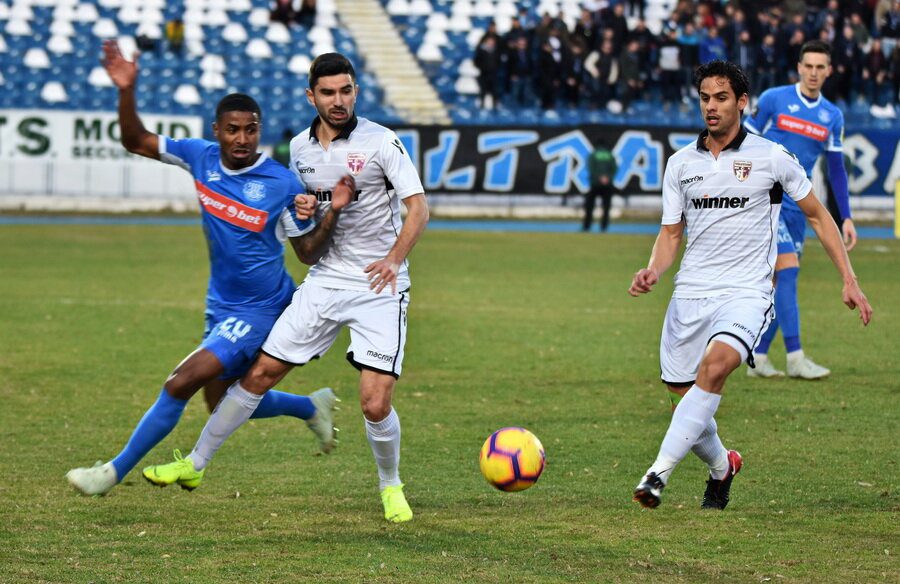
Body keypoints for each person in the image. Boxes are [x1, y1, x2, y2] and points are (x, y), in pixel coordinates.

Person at [141, 53, 430, 524]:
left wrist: (394, 259)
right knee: (258, 375)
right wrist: (307, 208)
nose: (338, 101)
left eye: (346, 90)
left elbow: (418, 206)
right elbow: (306, 222)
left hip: (378, 285)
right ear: (311, 96)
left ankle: (390, 485)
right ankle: (194, 463)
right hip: (325, 280)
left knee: (375, 403)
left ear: (356, 91)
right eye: (328, 92)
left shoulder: (382, 141)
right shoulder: (299, 149)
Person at [65, 40, 340, 496]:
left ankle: (110, 473)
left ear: (259, 130)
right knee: (222, 401)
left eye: (250, 130)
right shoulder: (199, 157)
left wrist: (325, 212)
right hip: (221, 305)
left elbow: (307, 253)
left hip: (262, 308)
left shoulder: (281, 183)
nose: (241, 139)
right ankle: (310, 407)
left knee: (181, 382)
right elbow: (135, 140)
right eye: (232, 130)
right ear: (217, 131)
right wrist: (126, 90)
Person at [629, 60, 871, 511]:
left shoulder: (772, 157)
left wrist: (849, 279)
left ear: (742, 102)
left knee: (715, 368)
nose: (711, 106)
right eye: (705, 98)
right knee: (685, 400)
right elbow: (671, 234)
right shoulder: (681, 164)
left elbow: (819, 216)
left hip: (746, 293)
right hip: (690, 295)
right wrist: (653, 271)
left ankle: (657, 474)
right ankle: (723, 467)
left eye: (721, 98)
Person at [743, 41, 857, 380]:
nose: (813, 73)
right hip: (766, 201)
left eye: (820, 67)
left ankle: (759, 357)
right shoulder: (774, 99)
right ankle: (795, 357)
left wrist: (845, 217)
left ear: (829, 71)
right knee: (788, 271)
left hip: (798, 207)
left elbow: (836, 170)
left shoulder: (832, 116)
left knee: (782, 281)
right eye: (809, 66)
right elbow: (741, 142)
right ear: (799, 67)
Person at [583, 140, 617, 232]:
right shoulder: (610, 155)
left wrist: (599, 177)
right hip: (608, 184)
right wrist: (607, 177)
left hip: (595, 184)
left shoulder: (593, 155)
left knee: (589, 206)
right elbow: (614, 169)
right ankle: (604, 227)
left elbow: (591, 168)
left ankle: (587, 226)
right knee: (606, 207)